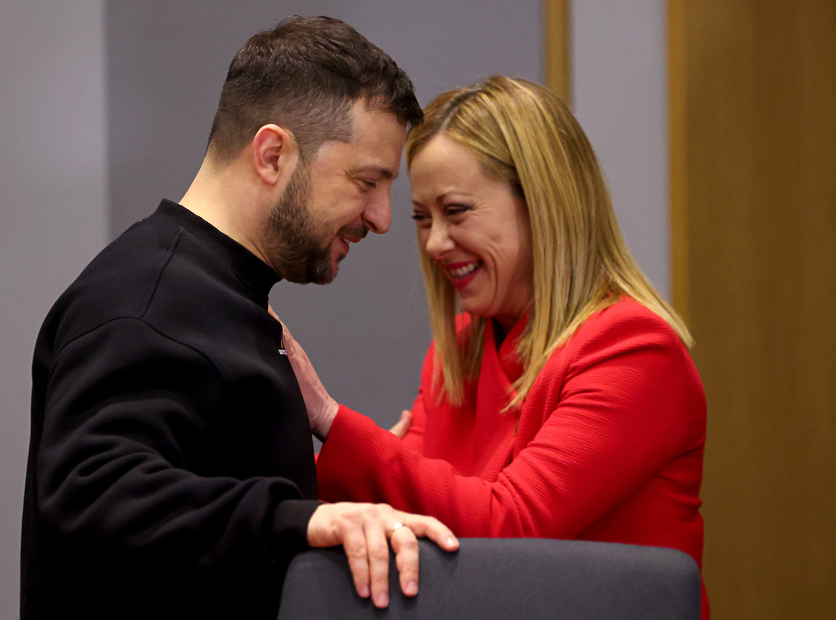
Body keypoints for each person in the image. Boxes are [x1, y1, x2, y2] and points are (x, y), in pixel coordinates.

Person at [21, 16, 458, 620]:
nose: (382, 218)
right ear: (273, 153)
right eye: (367, 182)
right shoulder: (146, 302)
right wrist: (299, 520)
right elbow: (92, 492)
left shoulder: (216, 295)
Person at [284, 76, 709, 617]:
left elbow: (511, 527)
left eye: (456, 211)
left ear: (545, 203)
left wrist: (328, 417)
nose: (435, 242)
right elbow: (406, 506)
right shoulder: (461, 348)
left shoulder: (635, 351)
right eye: (422, 218)